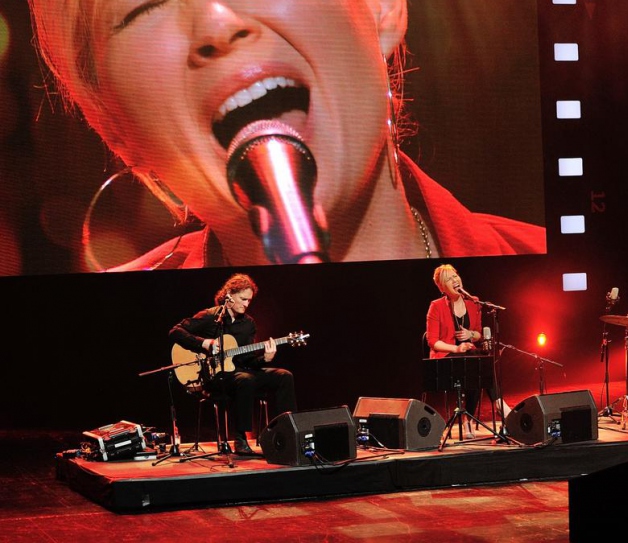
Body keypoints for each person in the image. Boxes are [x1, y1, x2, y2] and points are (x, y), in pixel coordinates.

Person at [26, 0, 546, 271]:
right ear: (113, 125)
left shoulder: (554, 275)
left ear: (382, 9)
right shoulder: (97, 355)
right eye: (141, 6)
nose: (215, 22)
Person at [169, 273, 296, 453]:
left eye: (249, 300)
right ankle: (240, 438)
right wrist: (204, 343)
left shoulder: (248, 324)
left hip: (239, 373)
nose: (246, 304)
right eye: (243, 299)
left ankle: (289, 431)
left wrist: (265, 359)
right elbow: (175, 331)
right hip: (213, 377)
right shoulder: (210, 317)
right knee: (245, 379)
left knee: (284, 376)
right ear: (229, 295)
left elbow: (248, 361)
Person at [426, 264, 504, 438]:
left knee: (478, 360)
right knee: (475, 361)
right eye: (449, 279)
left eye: (455, 276)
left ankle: (468, 419)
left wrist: (470, 334)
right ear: (441, 287)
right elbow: (433, 341)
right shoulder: (436, 306)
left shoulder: (473, 303)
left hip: (470, 357)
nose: (455, 280)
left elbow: (478, 334)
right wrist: (457, 347)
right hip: (446, 358)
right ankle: (499, 405)